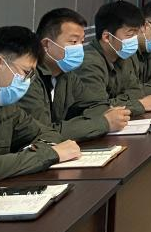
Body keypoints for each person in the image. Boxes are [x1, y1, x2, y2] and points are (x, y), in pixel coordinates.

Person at [0, 26, 81, 180]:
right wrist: (50, 154)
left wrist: (34, 152)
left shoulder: (6, 105)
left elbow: (49, 134)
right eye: (26, 73)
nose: (27, 82)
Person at [22, 8, 130, 140]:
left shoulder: (66, 74)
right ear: (46, 44)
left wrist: (102, 118)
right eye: (73, 42)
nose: (79, 47)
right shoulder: (28, 78)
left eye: (82, 42)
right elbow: (43, 133)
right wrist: (103, 123)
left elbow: (97, 104)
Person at [78, 1, 151, 118]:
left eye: (136, 34)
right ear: (107, 37)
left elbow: (137, 92)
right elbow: (99, 110)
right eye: (130, 35)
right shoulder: (89, 63)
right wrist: (141, 105)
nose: (134, 40)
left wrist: (115, 102)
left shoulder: (122, 55)